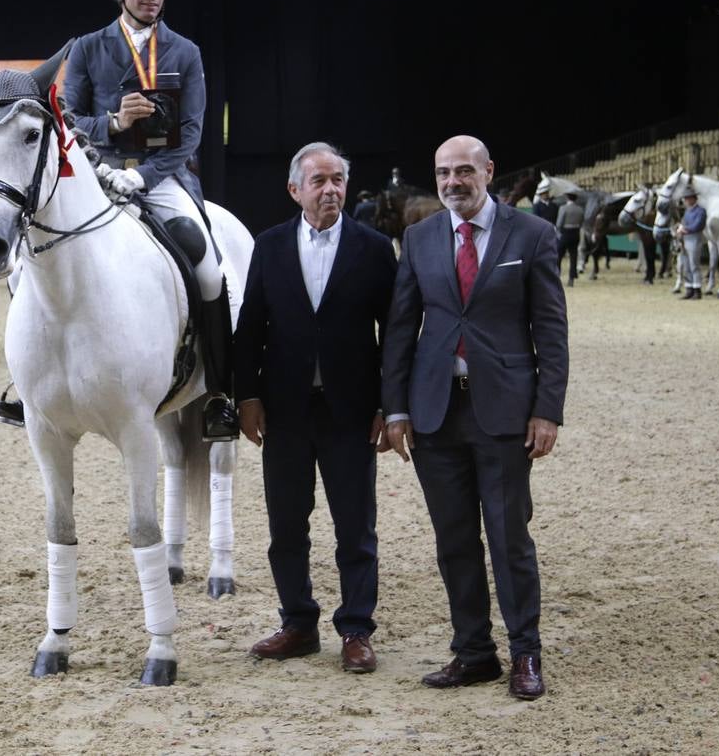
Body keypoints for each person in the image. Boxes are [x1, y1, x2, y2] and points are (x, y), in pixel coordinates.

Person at [0, 0, 237, 442]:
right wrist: (111, 122)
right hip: (97, 174)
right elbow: (69, 119)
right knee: (25, 267)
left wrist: (143, 175)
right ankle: (26, 384)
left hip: (164, 176)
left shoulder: (185, 53)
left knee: (208, 268)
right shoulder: (87, 48)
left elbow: (192, 133)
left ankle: (219, 391)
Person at [381, 135, 568, 701]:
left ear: (488, 171)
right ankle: (473, 653)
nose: (453, 182)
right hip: (436, 412)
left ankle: (525, 654)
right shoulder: (418, 238)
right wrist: (396, 408)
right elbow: (399, 330)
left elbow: (551, 332)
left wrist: (547, 411)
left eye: (464, 171)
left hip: (505, 412)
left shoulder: (532, 234)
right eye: (443, 173)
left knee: (509, 537)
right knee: (454, 539)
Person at [234, 143, 397, 672]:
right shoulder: (270, 246)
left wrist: (387, 405)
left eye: (338, 180)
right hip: (284, 410)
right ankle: (298, 623)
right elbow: (250, 329)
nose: (330, 190)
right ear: (294, 190)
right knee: (286, 525)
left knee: (356, 526)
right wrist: (248, 397)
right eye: (319, 181)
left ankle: (356, 629)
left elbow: (394, 334)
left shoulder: (374, 248)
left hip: (351, 411)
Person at [675, 189, 705, 300]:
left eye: (688, 198)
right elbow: (683, 222)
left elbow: (698, 225)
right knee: (686, 264)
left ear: (693, 198)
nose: (686, 200)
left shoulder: (700, 211)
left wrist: (684, 229)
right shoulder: (688, 211)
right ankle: (689, 288)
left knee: (694, 264)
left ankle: (697, 289)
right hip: (685, 239)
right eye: (685, 198)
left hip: (694, 239)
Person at [555, 191, 584, 288]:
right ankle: (571, 278)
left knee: (559, 255)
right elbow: (581, 222)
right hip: (575, 233)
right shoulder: (580, 209)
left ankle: (557, 276)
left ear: (567, 198)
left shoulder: (563, 208)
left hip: (565, 232)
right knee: (573, 256)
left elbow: (559, 223)